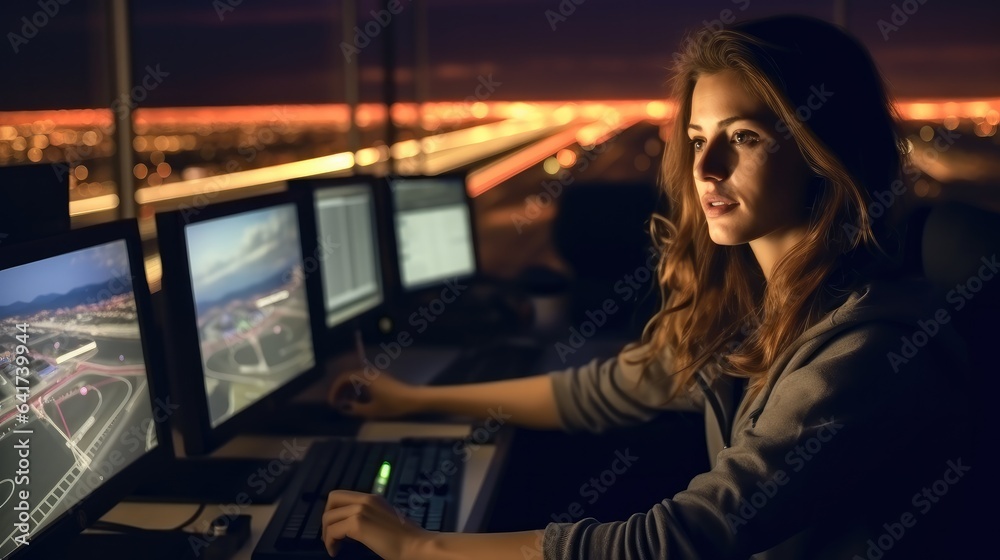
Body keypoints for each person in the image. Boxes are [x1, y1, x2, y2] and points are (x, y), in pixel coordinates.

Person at [320, 15, 973, 559]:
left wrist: (420, 549)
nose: (706, 169)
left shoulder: (867, 350)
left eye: (743, 137)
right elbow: (603, 392)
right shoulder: (759, 304)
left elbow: (680, 538)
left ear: (821, 148)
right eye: (696, 139)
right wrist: (412, 399)